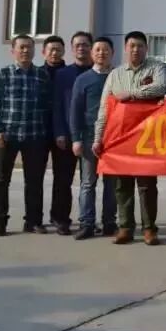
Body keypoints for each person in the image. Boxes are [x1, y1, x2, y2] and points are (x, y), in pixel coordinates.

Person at [94, 31, 166, 246]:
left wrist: (133, 94)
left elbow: (162, 86)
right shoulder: (115, 75)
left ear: (146, 48)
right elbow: (104, 108)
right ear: (125, 49)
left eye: (140, 46)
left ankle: (149, 229)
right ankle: (125, 227)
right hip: (120, 137)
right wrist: (98, 138)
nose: (135, 49)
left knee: (147, 185)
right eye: (131, 46)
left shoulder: (156, 68)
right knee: (122, 185)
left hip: (147, 137)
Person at [0, 35, 51, 237]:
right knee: (1, 179)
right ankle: (0, 222)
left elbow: (48, 106)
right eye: (21, 47)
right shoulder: (3, 74)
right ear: (13, 50)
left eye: (29, 47)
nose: (25, 51)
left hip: (34, 136)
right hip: (7, 137)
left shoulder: (41, 75)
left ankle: (33, 221)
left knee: (34, 181)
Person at [68, 37, 117, 240]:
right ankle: (86, 223)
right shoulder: (83, 79)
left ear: (112, 53)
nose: (101, 53)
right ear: (92, 53)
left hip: (114, 138)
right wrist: (76, 138)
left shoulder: (117, 77)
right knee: (88, 183)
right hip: (89, 136)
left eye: (105, 50)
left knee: (112, 184)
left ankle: (109, 223)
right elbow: (75, 110)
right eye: (97, 50)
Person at [50, 32, 93, 236]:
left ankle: (88, 220)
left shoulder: (99, 72)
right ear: (72, 48)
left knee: (89, 182)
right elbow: (57, 105)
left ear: (91, 47)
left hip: (92, 136)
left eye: (85, 44)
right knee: (63, 180)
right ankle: (61, 219)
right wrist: (59, 132)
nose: (81, 48)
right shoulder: (63, 74)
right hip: (67, 136)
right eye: (77, 45)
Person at [40, 35, 67, 230]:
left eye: (58, 49)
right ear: (44, 52)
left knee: (62, 178)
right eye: (51, 49)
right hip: (39, 132)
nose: (55, 53)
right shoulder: (37, 74)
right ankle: (34, 219)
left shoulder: (69, 73)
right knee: (35, 179)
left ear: (64, 51)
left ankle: (59, 218)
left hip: (62, 133)